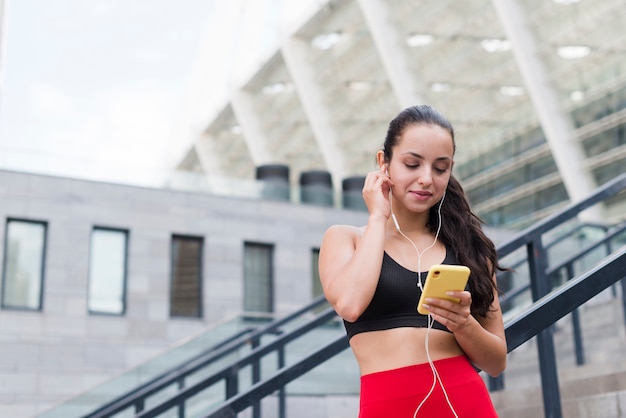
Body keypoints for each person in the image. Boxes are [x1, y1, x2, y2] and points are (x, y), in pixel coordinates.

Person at [318, 105, 507, 417]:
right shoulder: (345, 238)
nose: (426, 179)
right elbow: (350, 305)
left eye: (440, 168)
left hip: (463, 401)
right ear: (384, 162)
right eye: (412, 164)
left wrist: (463, 323)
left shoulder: (470, 251)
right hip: (386, 405)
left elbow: (496, 362)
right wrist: (378, 216)